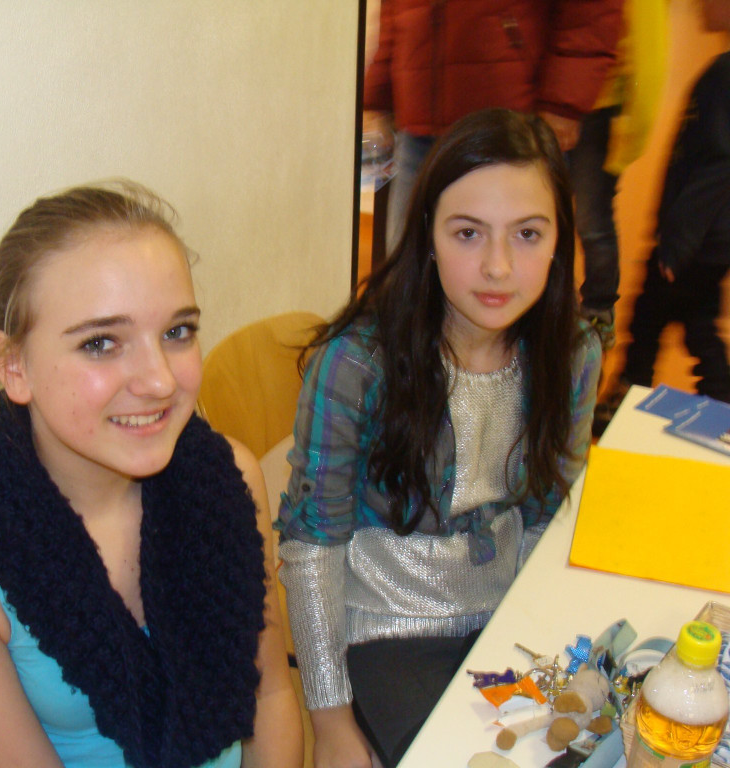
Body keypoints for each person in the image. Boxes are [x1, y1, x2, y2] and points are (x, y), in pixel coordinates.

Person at [0, 181, 303, 768]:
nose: (160, 380)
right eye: (102, 343)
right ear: (14, 366)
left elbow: (270, 695)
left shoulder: (228, 480)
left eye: (177, 332)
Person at [277, 109, 602, 768]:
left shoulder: (571, 354)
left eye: (528, 234)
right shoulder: (357, 364)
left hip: (505, 619)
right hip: (386, 630)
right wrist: (330, 719)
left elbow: (548, 516)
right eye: (468, 233)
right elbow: (312, 545)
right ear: (426, 234)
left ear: (560, 241)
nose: (498, 267)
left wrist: (538, 638)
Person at [363, 0, 623, 253]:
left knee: (508, 265)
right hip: (419, 128)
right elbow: (395, 11)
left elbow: (590, 13)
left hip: (512, 130)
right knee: (405, 261)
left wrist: (563, 102)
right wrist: (378, 93)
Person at [594, 0, 730, 429]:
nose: (700, 5)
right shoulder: (721, 72)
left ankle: (624, 404)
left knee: (651, 319)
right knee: (696, 321)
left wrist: (676, 245)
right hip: (706, 241)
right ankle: (718, 410)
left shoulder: (724, 75)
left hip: (695, 242)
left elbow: (716, 168)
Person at [568, 0, 669, 349]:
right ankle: (558, 308)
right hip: (560, 101)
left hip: (600, 108)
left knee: (592, 221)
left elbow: (650, 55)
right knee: (549, 217)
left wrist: (633, 130)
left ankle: (598, 313)